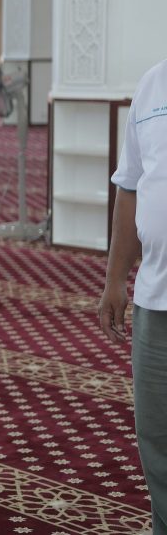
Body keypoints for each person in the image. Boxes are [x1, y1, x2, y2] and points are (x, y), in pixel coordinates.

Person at [98, 58, 167, 535]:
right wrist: (115, 279)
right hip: (154, 301)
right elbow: (130, 188)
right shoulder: (152, 85)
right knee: (156, 438)